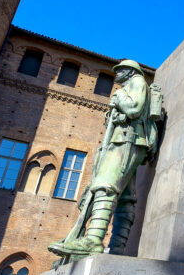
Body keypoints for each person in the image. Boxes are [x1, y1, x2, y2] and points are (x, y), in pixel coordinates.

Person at [49, 60, 159, 260]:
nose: (116, 74)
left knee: (104, 186)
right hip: (125, 140)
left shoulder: (137, 82)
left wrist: (118, 98)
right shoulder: (130, 85)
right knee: (125, 197)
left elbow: (134, 108)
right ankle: (117, 248)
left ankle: (93, 239)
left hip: (127, 139)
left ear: (129, 71)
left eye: (120, 71)